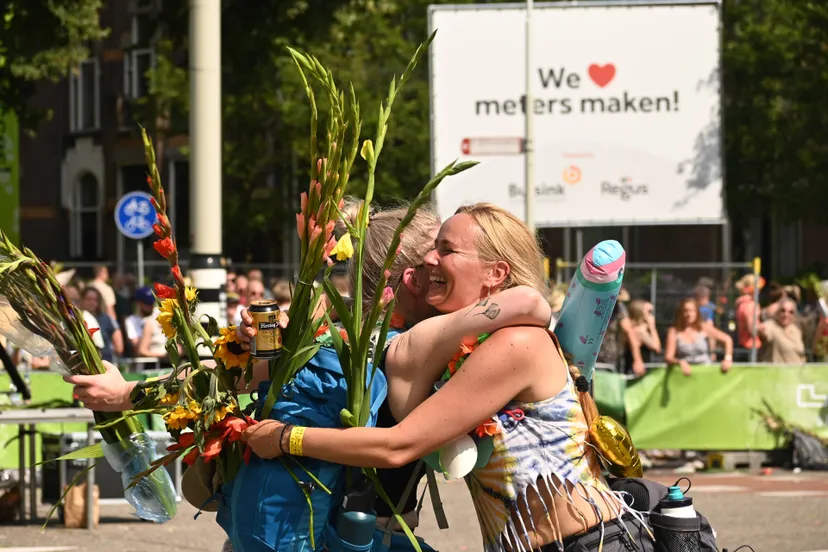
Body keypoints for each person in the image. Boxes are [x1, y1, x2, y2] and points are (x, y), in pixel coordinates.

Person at [68, 202, 552, 552]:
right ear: (404, 280)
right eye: (435, 258)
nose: (438, 266)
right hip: (341, 539)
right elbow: (225, 379)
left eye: (447, 254)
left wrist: (126, 393)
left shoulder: (427, 351)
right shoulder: (381, 348)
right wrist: (127, 393)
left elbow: (218, 381)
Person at [243, 203, 653, 552]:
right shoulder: (459, 347)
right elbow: (371, 324)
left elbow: (399, 445)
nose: (428, 261)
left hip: (592, 542)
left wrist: (283, 438)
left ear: (495, 273)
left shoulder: (517, 343)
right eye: (430, 250)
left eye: (446, 250)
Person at [664, 298, 733, 375]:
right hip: (685, 374)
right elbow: (668, 357)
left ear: (697, 312)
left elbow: (727, 339)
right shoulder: (674, 331)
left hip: (706, 372)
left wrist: (727, 359)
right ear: (681, 312)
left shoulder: (703, 327)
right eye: (686, 311)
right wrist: (679, 362)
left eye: (692, 311)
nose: (689, 314)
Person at [81, 286, 124, 362]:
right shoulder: (79, 318)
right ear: (82, 299)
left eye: (95, 300)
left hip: (107, 360)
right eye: (88, 299)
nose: (92, 302)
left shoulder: (105, 318)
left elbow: (118, 345)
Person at [758, 297, 806, 364]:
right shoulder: (771, 325)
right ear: (777, 311)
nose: (786, 314)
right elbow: (764, 332)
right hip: (775, 372)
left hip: (796, 372)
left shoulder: (796, 330)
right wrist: (761, 331)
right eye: (782, 310)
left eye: (791, 312)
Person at [624, 299, 661, 371]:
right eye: (649, 312)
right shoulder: (639, 331)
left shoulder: (633, 328)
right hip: (638, 369)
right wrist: (652, 327)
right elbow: (656, 347)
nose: (651, 315)